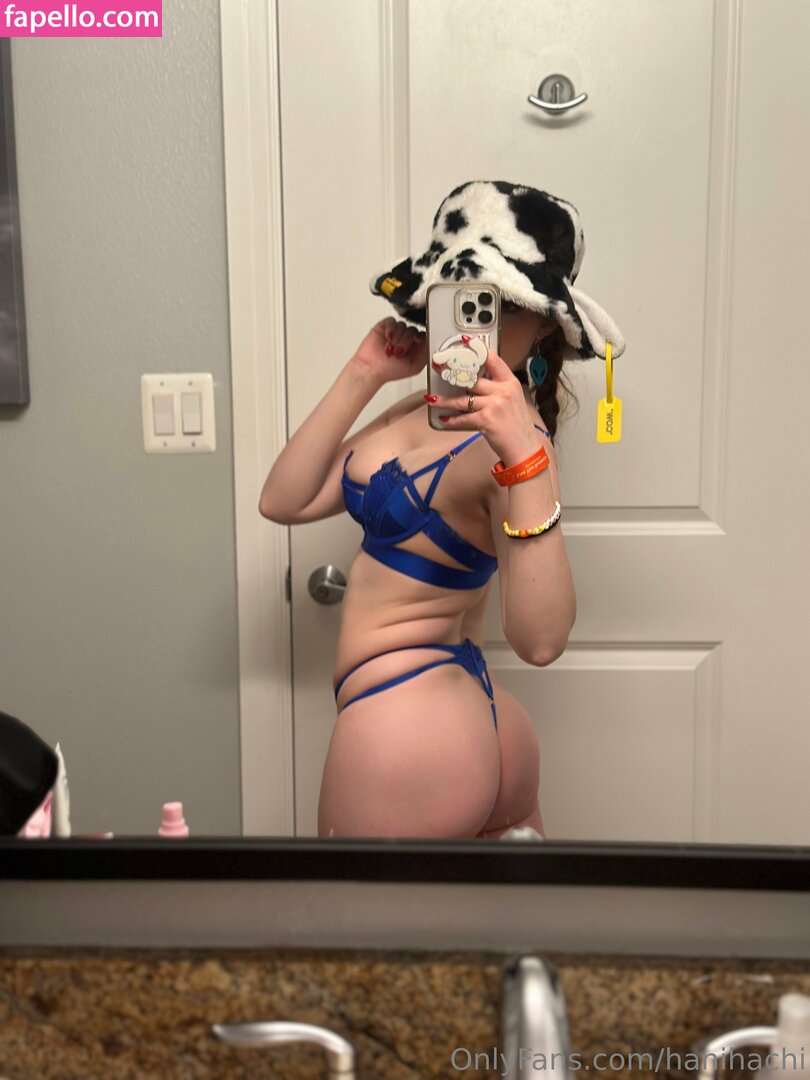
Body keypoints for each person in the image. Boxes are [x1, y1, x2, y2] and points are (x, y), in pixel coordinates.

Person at [259, 180, 626, 840]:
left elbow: (541, 641)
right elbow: (284, 500)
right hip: (461, 718)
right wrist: (365, 371)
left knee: (351, 915)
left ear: (545, 323)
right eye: (459, 296)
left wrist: (525, 455)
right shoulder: (421, 408)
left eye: (503, 304)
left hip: (407, 734)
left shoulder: (515, 444)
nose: (473, 322)